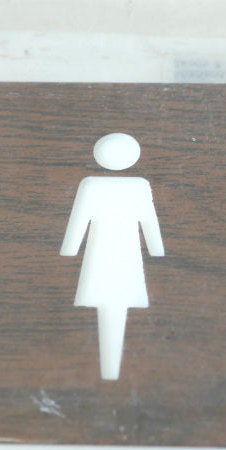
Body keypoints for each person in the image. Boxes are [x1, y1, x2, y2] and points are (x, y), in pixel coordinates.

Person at [61, 133, 164, 380]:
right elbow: (149, 222)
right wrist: (155, 249)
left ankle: (110, 369)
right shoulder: (137, 187)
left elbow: (79, 221)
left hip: (106, 252)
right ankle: (110, 370)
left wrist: (70, 248)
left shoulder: (94, 186)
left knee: (111, 299)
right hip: (121, 252)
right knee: (114, 300)